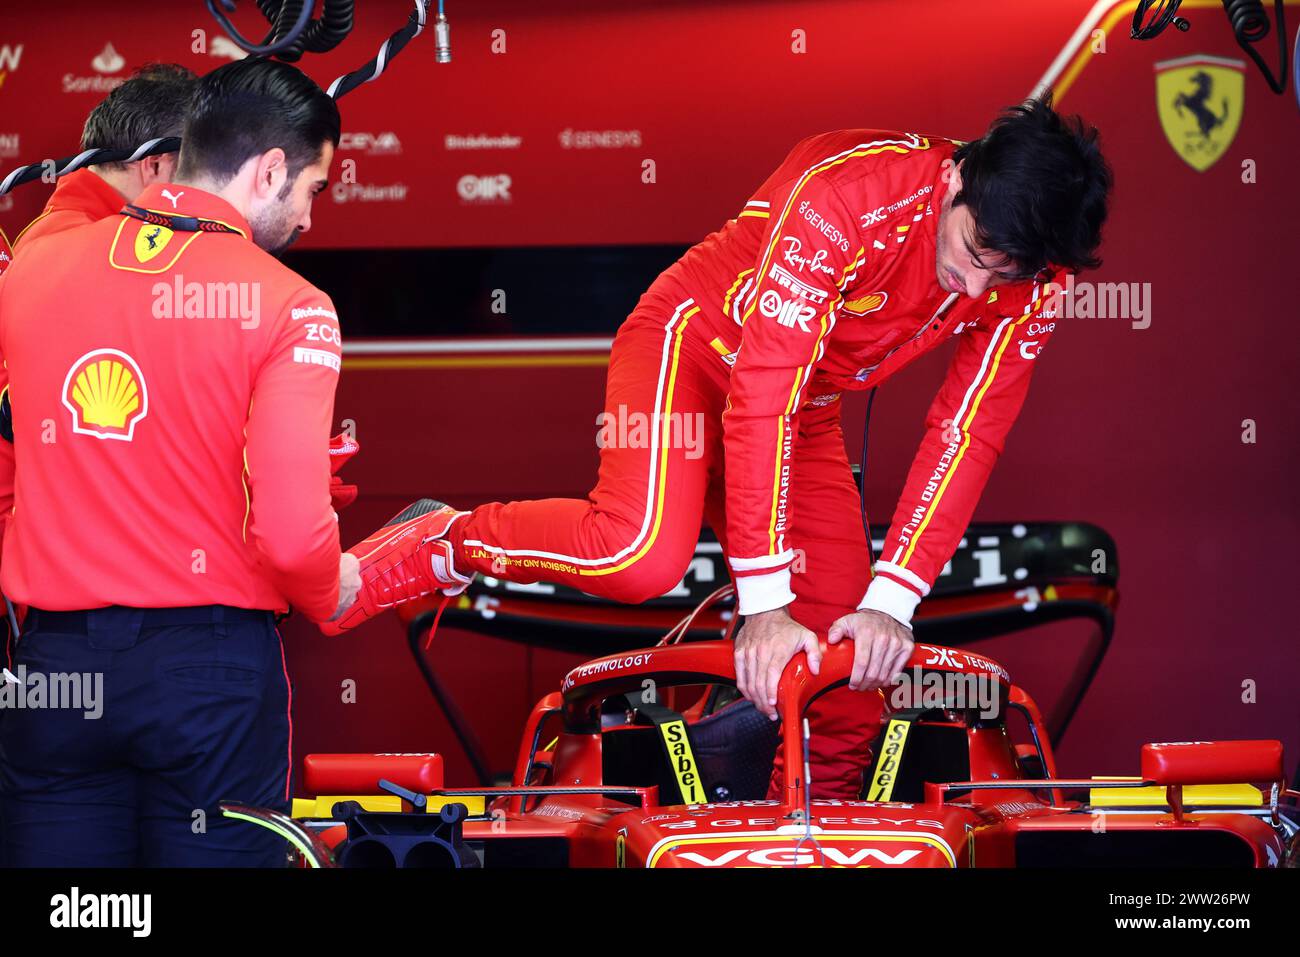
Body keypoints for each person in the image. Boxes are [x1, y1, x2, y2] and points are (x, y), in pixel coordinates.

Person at [332, 96, 1113, 799]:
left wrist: (892, 603)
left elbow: (968, 430)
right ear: (954, 181)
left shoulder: (1035, 277)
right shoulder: (846, 197)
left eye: (1003, 271)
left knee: (848, 670)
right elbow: (759, 393)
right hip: (693, 349)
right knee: (638, 556)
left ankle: (804, 835)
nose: (977, 290)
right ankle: (445, 539)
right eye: (976, 252)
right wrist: (767, 606)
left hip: (802, 403)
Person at [0, 56, 358, 866]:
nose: (308, 217)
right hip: (210, 673)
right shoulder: (292, 304)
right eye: (313, 189)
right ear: (270, 169)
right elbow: (297, 537)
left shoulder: (29, 271)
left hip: (55, 669)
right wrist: (333, 584)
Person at [12, 63, 197, 252]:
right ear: (155, 165)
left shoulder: (61, 233)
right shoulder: (103, 248)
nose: (200, 192)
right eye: (193, 173)